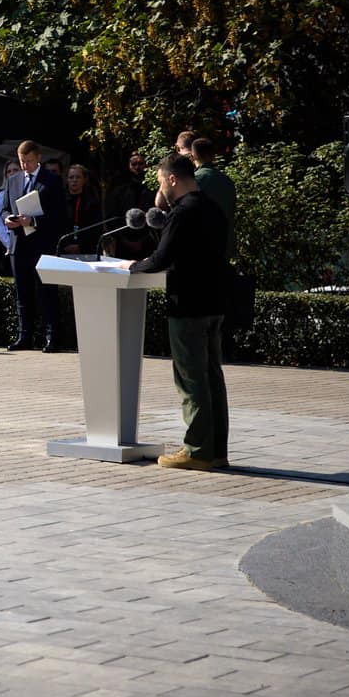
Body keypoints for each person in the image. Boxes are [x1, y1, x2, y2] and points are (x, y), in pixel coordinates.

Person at [130, 154, 232, 470]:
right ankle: (216, 450)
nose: (160, 186)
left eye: (161, 180)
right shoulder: (213, 208)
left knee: (191, 379)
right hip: (215, 303)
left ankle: (197, 450)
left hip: (188, 304)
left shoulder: (183, 213)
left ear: (172, 179)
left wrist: (133, 267)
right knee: (212, 376)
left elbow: (161, 259)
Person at [2, 140, 66, 351]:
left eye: (29, 161)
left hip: (42, 243)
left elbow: (59, 215)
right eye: (22, 161)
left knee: (46, 291)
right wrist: (8, 219)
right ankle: (24, 335)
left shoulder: (52, 181)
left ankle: (52, 336)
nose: (25, 166)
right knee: (22, 291)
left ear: (38, 158)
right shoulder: (13, 180)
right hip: (18, 243)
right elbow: (4, 208)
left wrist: (35, 221)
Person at [189, 135, 238, 261]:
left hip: (200, 246)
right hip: (225, 244)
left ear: (192, 156)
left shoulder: (193, 180)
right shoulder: (227, 181)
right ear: (213, 156)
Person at [106, 152, 156, 263]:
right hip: (123, 245)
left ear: (146, 165)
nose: (137, 167)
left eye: (140, 163)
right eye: (134, 164)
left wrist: (143, 242)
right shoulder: (119, 191)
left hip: (148, 246)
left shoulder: (153, 191)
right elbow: (112, 218)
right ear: (129, 166)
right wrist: (124, 241)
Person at [57, 164, 102, 257]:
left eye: (78, 177)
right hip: (63, 249)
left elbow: (96, 228)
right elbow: (55, 225)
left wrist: (80, 246)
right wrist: (65, 245)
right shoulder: (59, 200)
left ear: (84, 180)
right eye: (71, 177)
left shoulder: (92, 201)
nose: (74, 180)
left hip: (86, 250)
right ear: (67, 180)